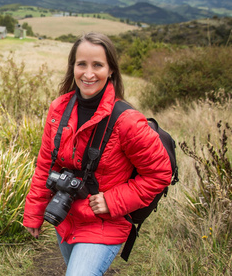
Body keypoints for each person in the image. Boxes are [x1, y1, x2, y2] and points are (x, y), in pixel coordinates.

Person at [23, 32, 172, 275]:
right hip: (66, 215)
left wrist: (112, 201)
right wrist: (34, 213)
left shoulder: (127, 121)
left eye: (98, 65)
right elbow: (45, 166)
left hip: (106, 222)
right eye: (81, 64)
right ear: (73, 67)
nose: (88, 73)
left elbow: (159, 174)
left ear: (111, 69)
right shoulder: (58, 109)